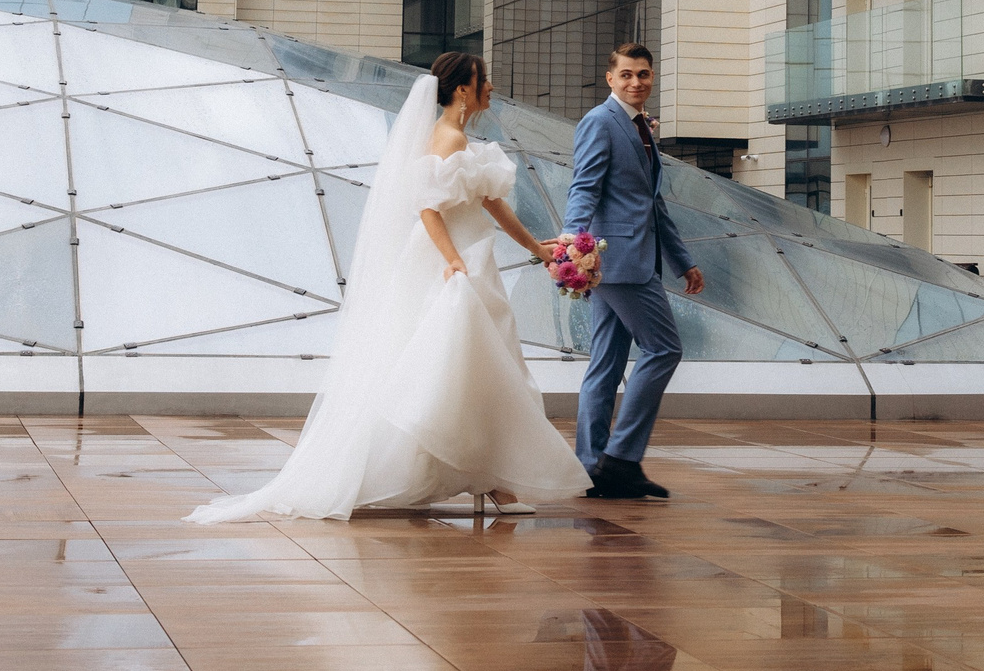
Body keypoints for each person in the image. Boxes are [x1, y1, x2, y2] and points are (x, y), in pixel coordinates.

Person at [185, 52, 592, 522]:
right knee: (462, 364)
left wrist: (541, 251)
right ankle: (488, 481)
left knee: (477, 363)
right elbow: (428, 208)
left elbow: (495, 205)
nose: (492, 86)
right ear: (463, 90)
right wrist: (454, 260)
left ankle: (489, 479)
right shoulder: (449, 139)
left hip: (471, 256)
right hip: (454, 261)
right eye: (484, 80)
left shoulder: (461, 141)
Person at [561, 42, 702, 500]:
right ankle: (620, 459)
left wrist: (683, 260)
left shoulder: (641, 127)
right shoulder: (600, 121)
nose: (635, 82)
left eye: (643, 74)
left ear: (652, 77)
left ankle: (591, 467)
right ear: (610, 78)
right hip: (617, 261)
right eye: (626, 75)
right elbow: (584, 186)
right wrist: (571, 245)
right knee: (664, 349)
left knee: (605, 364)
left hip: (625, 257)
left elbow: (651, 203)